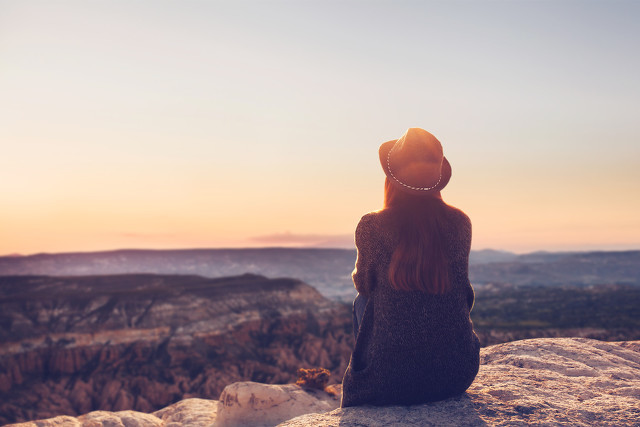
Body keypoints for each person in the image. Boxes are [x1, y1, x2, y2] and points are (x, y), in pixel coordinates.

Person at [341, 127, 480, 407]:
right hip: (456, 374)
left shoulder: (372, 226)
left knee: (362, 302)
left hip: (387, 382)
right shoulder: (460, 223)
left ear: (392, 179)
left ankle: (375, 368)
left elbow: (364, 285)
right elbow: (463, 293)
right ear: (438, 180)